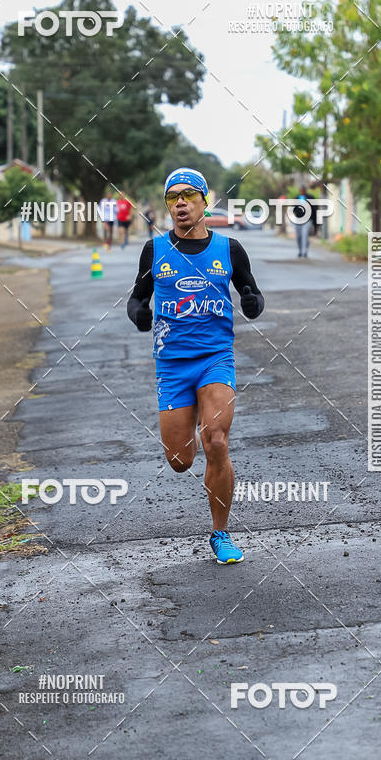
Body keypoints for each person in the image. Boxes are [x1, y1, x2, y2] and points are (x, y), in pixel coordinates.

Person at [127, 167, 264, 564]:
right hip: (172, 365)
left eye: (188, 195)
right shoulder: (155, 251)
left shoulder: (230, 249)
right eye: (173, 198)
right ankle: (187, 458)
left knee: (216, 440)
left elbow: (250, 291)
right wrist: (139, 313)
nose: (180, 203)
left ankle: (220, 534)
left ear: (206, 201)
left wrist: (253, 302)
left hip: (215, 359)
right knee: (180, 460)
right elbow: (137, 297)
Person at [292, 185, 315, 258]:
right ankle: (300, 250)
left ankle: (304, 251)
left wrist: (314, 221)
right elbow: (293, 209)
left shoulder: (310, 198)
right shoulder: (296, 198)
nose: (302, 191)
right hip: (298, 220)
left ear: (305, 190)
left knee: (305, 235)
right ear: (300, 191)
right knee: (298, 236)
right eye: (301, 190)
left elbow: (315, 209)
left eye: (303, 190)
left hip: (308, 220)